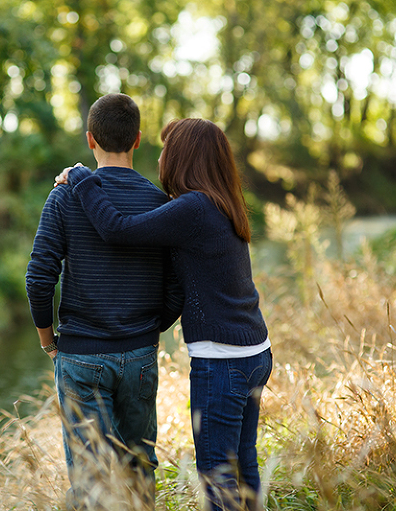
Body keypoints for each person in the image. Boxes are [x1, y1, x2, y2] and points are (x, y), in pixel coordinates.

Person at [58, 118, 272, 511]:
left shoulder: (192, 208)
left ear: (183, 157)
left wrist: (83, 179)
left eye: (166, 149)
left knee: (217, 473)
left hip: (223, 361)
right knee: (243, 464)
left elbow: (117, 229)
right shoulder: (223, 201)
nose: (160, 158)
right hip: (256, 352)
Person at [25, 94, 183, 510]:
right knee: (139, 470)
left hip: (80, 357)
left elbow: (39, 278)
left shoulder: (64, 197)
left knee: (91, 481)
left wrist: (49, 342)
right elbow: (175, 286)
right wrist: (151, 328)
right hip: (141, 355)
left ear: (90, 139)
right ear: (138, 140)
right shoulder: (160, 203)